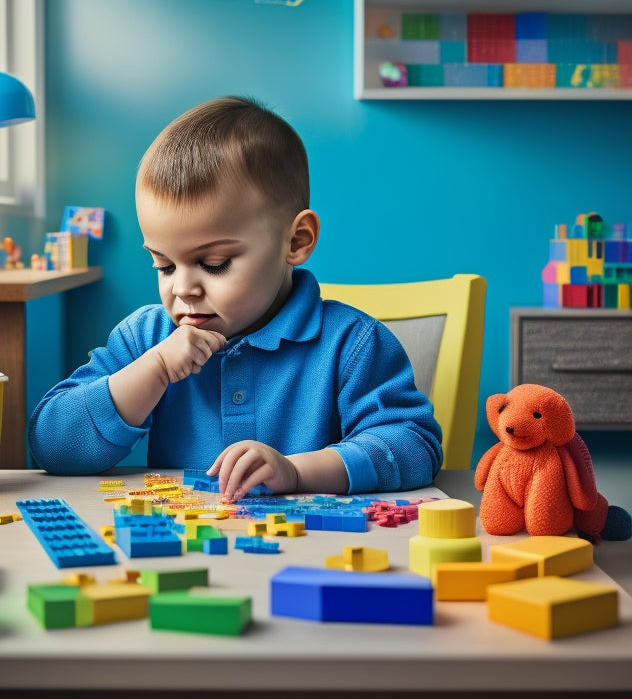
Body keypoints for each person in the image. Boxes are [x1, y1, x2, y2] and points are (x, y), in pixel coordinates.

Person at [28, 96, 442, 500]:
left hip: (312, 551)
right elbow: (51, 446)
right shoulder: (146, 339)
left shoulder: (352, 344)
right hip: (186, 550)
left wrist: (297, 472)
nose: (182, 289)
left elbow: (414, 446)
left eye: (214, 263)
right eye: (164, 266)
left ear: (296, 241)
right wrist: (151, 370)